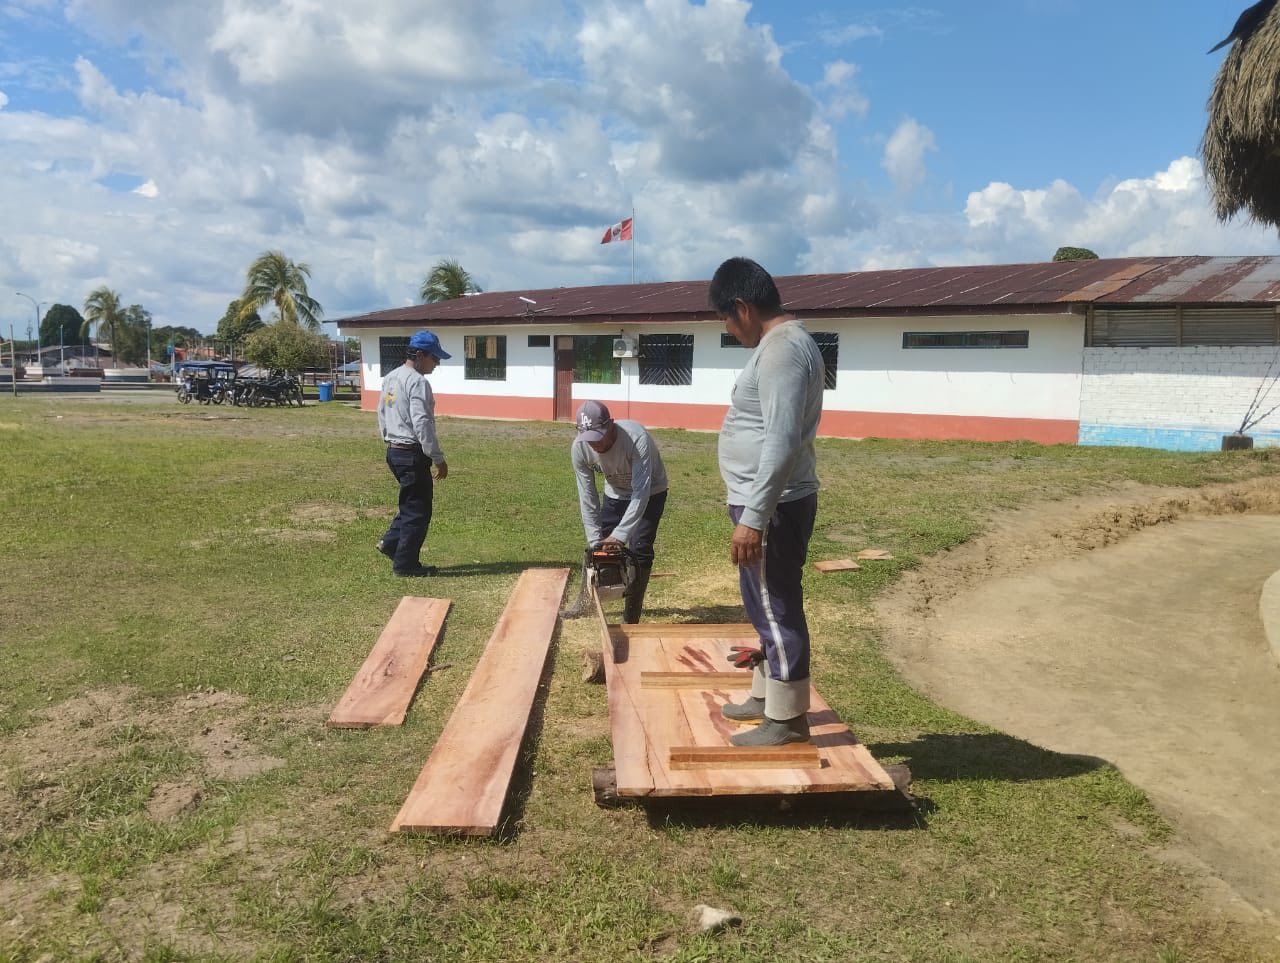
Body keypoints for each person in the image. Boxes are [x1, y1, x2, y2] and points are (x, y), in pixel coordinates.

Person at [709, 257, 824, 747]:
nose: (729, 331)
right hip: (766, 503)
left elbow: (781, 440)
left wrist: (754, 518)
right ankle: (765, 693)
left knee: (776, 607)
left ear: (743, 307)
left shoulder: (782, 351)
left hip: (773, 507)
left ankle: (788, 721)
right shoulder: (783, 345)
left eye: (726, 321)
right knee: (762, 604)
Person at [572, 399, 669, 623]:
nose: (594, 445)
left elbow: (640, 493)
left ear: (611, 425)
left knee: (639, 550)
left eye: (598, 437)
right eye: (588, 440)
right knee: (596, 551)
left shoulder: (636, 439)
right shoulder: (579, 448)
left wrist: (620, 535)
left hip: (651, 492)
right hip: (615, 492)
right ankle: (585, 603)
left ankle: (630, 617)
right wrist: (595, 540)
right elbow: (587, 497)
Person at [376, 329, 450, 577]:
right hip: (411, 452)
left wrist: (389, 438)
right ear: (419, 355)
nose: (437, 364)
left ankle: (391, 542)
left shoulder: (391, 377)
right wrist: (437, 458)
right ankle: (405, 565)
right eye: (434, 358)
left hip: (394, 451)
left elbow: (382, 413)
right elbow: (422, 423)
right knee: (418, 510)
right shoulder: (417, 382)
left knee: (410, 503)